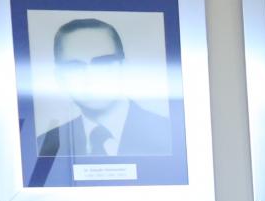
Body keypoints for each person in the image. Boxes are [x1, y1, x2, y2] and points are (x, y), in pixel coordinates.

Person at [33, 17, 173, 169]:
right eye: (75, 67)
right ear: (59, 77)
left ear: (124, 67)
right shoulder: (45, 146)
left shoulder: (168, 133)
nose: (90, 77)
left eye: (103, 63)